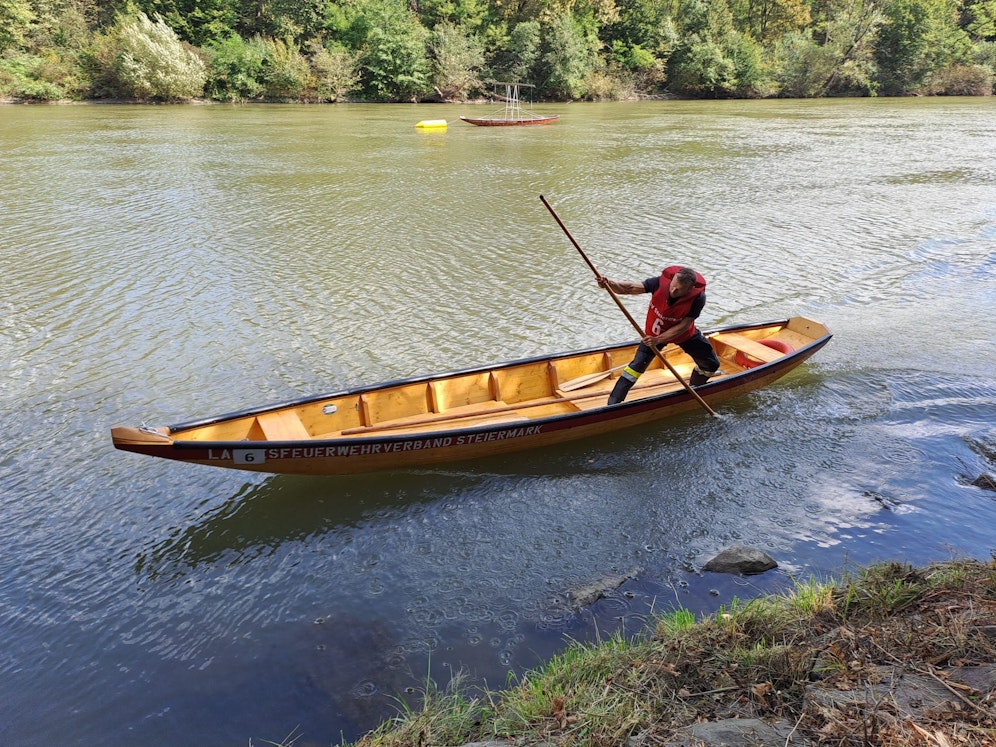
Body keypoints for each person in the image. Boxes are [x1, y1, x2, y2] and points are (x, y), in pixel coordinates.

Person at [597, 265, 720, 405]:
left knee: (711, 364)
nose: (673, 290)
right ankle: (613, 405)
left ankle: (694, 390)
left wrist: (658, 340)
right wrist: (609, 284)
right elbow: (629, 288)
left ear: (689, 289)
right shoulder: (660, 282)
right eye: (673, 286)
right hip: (653, 336)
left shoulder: (698, 298)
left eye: (678, 289)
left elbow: (684, 325)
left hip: (682, 335)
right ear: (672, 279)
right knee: (634, 369)